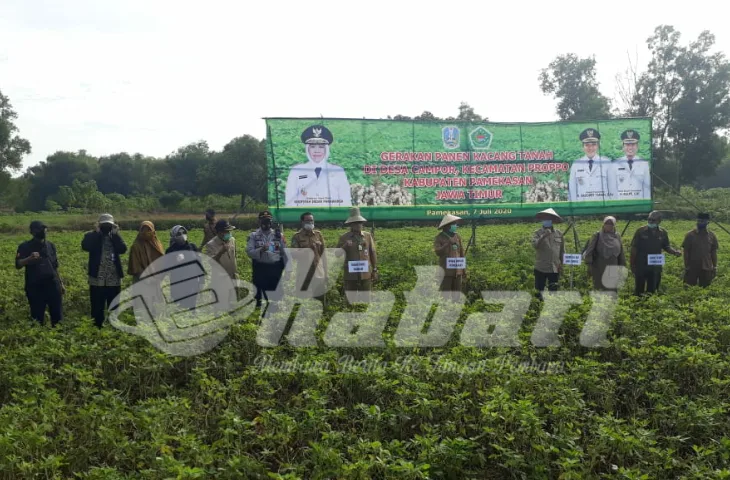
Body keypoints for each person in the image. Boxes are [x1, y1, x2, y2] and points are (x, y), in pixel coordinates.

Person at [284, 125, 352, 207]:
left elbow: (345, 201)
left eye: (321, 147)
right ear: (307, 149)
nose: (317, 151)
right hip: (305, 218)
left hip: (332, 218)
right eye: (312, 147)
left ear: (326, 149)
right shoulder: (296, 171)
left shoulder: (338, 171)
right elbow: (290, 202)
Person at [15, 220, 65, 326]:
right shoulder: (25, 246)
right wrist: (29, 258)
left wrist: (61, 283)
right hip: (35, 287)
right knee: (37, 318)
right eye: (39, 229)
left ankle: (58, 337)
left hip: (53, 284)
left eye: (44, 229)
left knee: (58, 318)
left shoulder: (50, 245)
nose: (43, 231)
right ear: (32, 232)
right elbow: (18, 264)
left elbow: (55, 266)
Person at [82, 213, 127, 328]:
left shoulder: (115, 237)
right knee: (97, 306)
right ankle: (98, 327)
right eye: (104, 225)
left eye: (109, 225)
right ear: (99, 225)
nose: (106, 227)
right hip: (97, 278)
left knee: (114, 305)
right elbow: (86, 246)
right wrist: (97, 233)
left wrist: (116, 235)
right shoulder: (91, 236)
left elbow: (123, 249)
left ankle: (114, 327)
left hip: (113, 278)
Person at [629, 210, 682, 296]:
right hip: (641, 264)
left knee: (653, 289)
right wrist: (632, 264)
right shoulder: (640, 231)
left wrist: (674, 252)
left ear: (659, 221)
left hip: (655, 264)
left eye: (653, 220)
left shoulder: (663, 232)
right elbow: (634, 248)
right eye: (649, 219)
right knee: (639, 289)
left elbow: (666, 246)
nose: (650, 221)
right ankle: (639, 305)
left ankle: (650, 306)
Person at [245, 211, 288, 307]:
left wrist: (287, 269)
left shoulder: (278, 235)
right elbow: (249, 252)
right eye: (263, 221)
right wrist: (261, 249)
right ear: (259, 222)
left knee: (275, 296)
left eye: (268, 221)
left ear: (271, 222)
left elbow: (285, 253)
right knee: (259, 296)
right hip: (260, 268)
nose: (266, 224)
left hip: (275, 269)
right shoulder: (253, 236)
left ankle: (274, 313)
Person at [336, 207, 378, 302]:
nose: (358, 225)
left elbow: (373, 253)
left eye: (359, 222)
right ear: (351, 224)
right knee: (351, 301)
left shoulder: (367, 236)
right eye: (355, 223)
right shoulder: (344, 237)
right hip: (351, 276)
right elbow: (337, 254)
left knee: (366, 300)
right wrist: (345, 246)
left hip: (366, 274)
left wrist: (375, 270)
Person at [290, 211, 326, 301]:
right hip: (304, 272)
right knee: (302, 298)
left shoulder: (318, 234)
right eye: (307, 221)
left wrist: (326, 272)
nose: (310, 223)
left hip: (318, 272)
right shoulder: (297, 237)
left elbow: (323, 255)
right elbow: (294, 254)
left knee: (320, 298)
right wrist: (308, 249)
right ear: (302, 222)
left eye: (312, 220)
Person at [582, 216, 626, 290]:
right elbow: (590, 250)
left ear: (614, 225)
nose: (609, 225)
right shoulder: (597, 235)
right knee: (600, 287)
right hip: (599, 266)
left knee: (612, 287)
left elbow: (621, 252)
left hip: (613, 265)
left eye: (611, 224)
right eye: (607, 223)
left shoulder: (617, 236)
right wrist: (589, 265)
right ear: (603, 224)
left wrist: (622, 265)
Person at [568, 128, 613, 202]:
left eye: (593, 144)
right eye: (587, 145)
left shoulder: (607, 163)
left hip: (603, 207)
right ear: (583, 147)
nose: (590, 148)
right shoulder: (576, 164)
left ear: (598, 146)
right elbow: (572, 189)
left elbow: (612, 188)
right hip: (582, 208)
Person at [607, 129, 651, 201]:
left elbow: (646, 190)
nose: (630, 148)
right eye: (627, 145)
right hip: (620, 207)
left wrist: (645, 206)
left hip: (639, 206)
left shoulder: (644, 164)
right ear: (623, 146)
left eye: (633, 144)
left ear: (637, 146)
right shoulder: (614, 165)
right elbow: (612, 190)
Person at [205, 219, 239, 309]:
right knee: (221, 306)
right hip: (220, 280)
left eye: (229, 231)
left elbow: (234, 256)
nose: (228, 233)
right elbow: (210, 262)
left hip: (233, 277)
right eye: (226, 231)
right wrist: (220, 252)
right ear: (219, 232)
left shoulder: (232, 240)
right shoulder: (211, 245)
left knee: (233, 304)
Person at [531, 208, 564, 299]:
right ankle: (537, 308)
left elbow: (561, 251)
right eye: (545, 219)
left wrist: (561, 264)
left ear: (552, 221)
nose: (547, 221)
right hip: (541, 267)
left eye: (549, 219)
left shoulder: (559, 234)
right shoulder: (537, 233)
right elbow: (535, 245)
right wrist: (544, 235)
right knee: (538, 291)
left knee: (553, 291)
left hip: (554, 267)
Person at [166, 225, 202, 310]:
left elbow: (199, 263)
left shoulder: (192, 247)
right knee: (180, 304)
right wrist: (175, 259)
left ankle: (192, 316)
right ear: (174, 236)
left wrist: (201, 278)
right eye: (179, 233)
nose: (182, 235)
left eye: (184, 232)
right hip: (178, 281)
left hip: (192, 280)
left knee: (192, 303)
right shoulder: (170, 250)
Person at [434, 214, 465, 302]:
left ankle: (455, 310)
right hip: (446, 271)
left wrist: (464, 270)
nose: (456, 226)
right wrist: (447, 243)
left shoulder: (457, 236)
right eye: (454, 224)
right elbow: (437, 252)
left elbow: (461, 253)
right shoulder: (439, 237)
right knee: (445, 295)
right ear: (448, 226)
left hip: (458, 270)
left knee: (457, 296)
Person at [681, 212, 719, 288]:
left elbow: (713, 252)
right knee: (688, 288)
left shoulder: (712, 235)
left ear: (707, 222)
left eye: (702, 221)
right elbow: (686, 252)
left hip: (707, 267)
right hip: (692, 267)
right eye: (698, 220)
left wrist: (714, 267)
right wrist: (687, 266)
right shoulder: (690, 235)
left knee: (705, 288)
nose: (700, 223)